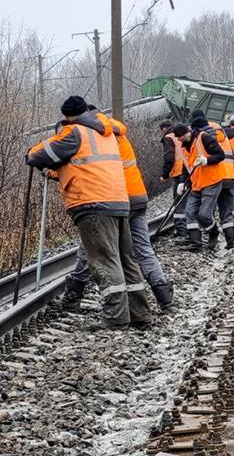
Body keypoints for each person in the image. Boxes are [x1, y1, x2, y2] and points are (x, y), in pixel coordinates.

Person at [26, 96, 151, 329]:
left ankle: (116, 318)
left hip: (93, 204)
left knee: (105, 260)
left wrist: (32, 152)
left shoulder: (74, 132)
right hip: (119, 201)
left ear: (66, 117)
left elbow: (40, 155)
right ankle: (140, 314)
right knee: (126, 259)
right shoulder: (105, 133)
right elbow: (85, 165)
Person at [105, 115, 174, 309]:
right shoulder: (119, 133)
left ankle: (75, 292)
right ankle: (163, 294)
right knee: (144, 249)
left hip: (118, 199)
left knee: (103, 250)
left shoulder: (97, 138)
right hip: (138, 196)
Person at [184, 112, 227, 252]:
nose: (178, 140)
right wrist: (184, 183)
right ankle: (195, 243)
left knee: (204, 215)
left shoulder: (204, 137)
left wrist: (206, 160)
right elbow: (189, 165)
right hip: (197, 183)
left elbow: (221, 155)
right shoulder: (188, 144)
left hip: (211, 180)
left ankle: (214, 232)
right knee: (190, 211)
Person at [199, 110, 234, 250]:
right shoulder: (221, 132)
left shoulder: (203, 133)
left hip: (215, 177)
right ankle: (231, 242)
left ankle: (212, 233)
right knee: (226, 210)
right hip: (229, 176)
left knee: (206, 211)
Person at [160, 121, 190, 242]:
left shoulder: (169, 137)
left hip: (179, 173)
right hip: (189, 171)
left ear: (163, 129)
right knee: (188, 202)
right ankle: (189, 229)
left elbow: (169, 158)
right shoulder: (185, 133)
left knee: (179, 203)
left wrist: (164, 175)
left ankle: (181, 231)